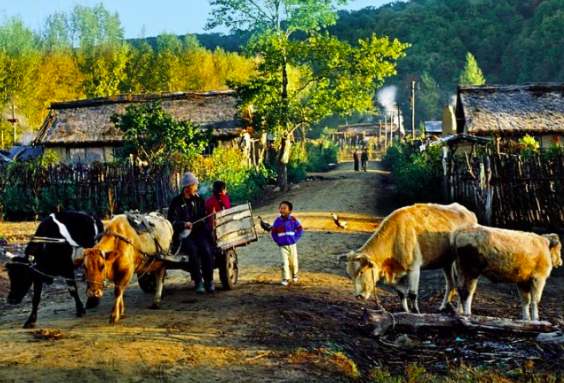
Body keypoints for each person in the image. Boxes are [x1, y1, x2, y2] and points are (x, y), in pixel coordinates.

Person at [168, 172, 215, 294]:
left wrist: (205, 220)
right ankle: (198, 282)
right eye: (194, 185)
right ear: (188, 187)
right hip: (184, 236)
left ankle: (209, 281)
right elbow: (171, 221)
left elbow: (204, 217)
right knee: (192, 251)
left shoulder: (199, 200)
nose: (196, 187)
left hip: (198, 233)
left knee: (206, 249)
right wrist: (183, 224)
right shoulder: (176, 202)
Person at [271, 201, 303, 286]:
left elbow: (300, 229)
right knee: (284, 262)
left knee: (293, 262)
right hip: (282, 246)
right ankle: (285, 278)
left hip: (292, 245)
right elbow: (273, 232)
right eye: (281, 208)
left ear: (289, 210)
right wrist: (277, 241)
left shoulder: (293, 220)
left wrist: (295, 238)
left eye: (284, 208)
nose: (282, 210)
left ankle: (294, 275)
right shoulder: (277, 221)